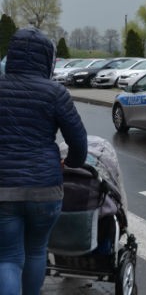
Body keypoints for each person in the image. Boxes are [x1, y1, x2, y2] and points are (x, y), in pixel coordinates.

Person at [0, 28, 88, 295]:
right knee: (37, 250)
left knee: (8, 257)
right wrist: (71, 163)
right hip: (45, 189)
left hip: (3, 189)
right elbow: (79, 142)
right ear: (47, 59)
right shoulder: (55, 93)